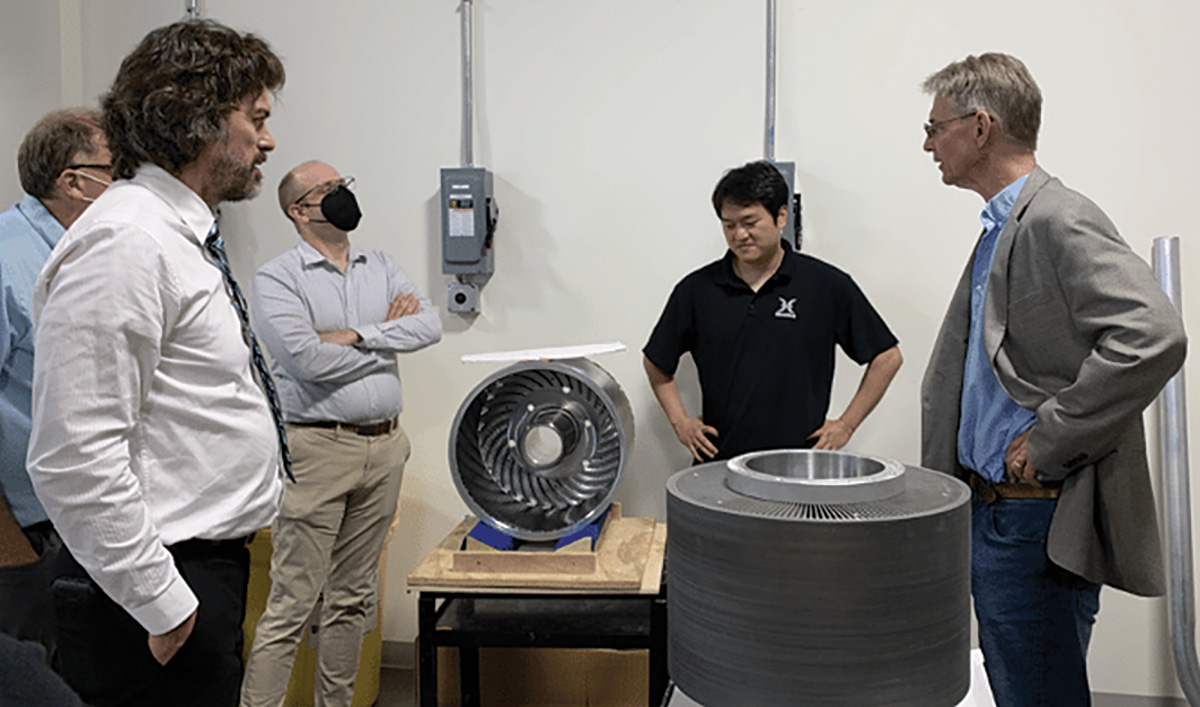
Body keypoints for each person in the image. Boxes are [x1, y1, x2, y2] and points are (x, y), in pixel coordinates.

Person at [26, 19, 287, 707]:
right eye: (255, 118)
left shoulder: (176, 235)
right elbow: (72, 454)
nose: (267, 140)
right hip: (152, 592)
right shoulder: (127, 243)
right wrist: (161, 599)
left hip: (199, 571)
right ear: (197, 119)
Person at [919, 53, 1187, 706]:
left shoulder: (1056, 217)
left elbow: (1154, 334)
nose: (927, 142)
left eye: (936, 126)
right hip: (1000, 515)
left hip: (1032, 521)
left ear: (980, 128)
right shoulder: (1003, 227)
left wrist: (1049, 438)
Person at [240, 160, 442, 707]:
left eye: (343, 185)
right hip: (317, 449)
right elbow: (305, 360)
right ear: (298, 210)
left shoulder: (381, 266)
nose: (341, 196)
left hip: (385, 446)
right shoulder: (279, 277)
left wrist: (353, 335)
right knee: (292, 603)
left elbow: (428, 325)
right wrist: (385, 340)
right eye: (327, 190)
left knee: (352, 598)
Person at [643, 161, 902, 462]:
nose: (739, 234)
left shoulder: (826, 286)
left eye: (750, 222)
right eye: (729, 225)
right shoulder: (696, 290)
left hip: (802, 466)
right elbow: (656, 362)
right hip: (720, 465)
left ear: (781, 216)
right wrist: (681, 423)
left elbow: (887, 357)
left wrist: (846, 425)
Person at [0, 109, 110, 665]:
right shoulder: (6, 258)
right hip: (26, 537)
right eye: (117, 170)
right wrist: (9, 547)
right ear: (74, 180)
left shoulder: (90, 252)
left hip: (89, 521)